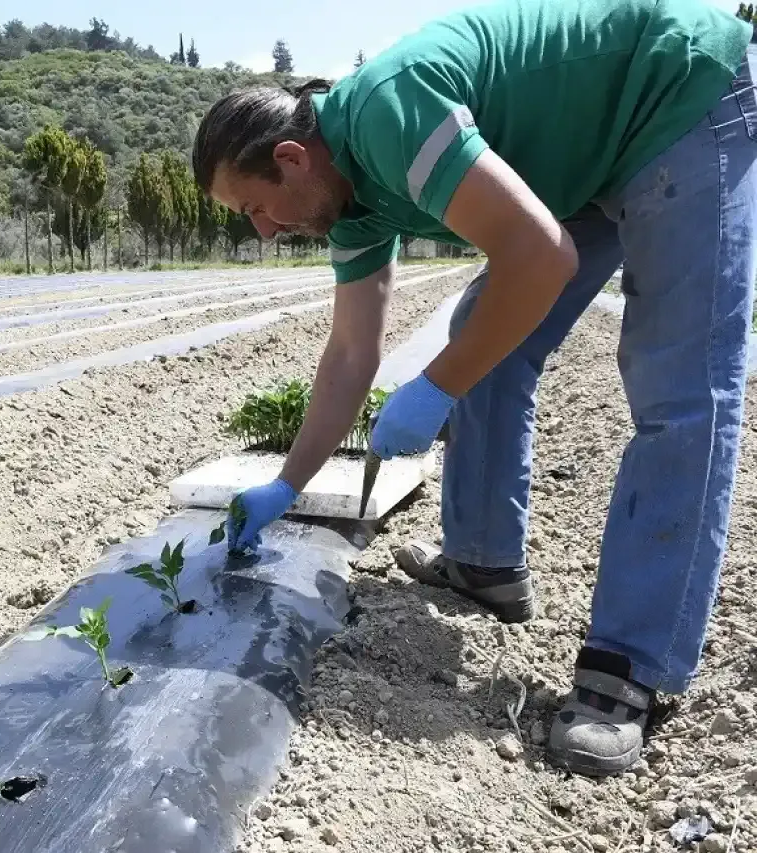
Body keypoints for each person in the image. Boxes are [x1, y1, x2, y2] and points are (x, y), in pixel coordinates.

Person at [195, 0, 757, 777]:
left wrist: (435, 384)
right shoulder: (347, 205)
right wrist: (285, 485)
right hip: (586, 157)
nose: (261, 231)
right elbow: (352, 352)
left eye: (254, 208)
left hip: (671, 92)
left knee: (681, 385)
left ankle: (629, 667)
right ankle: (484, 562)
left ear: (292, 157)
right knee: (481, 325)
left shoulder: (392, 113)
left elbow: (542, 257)